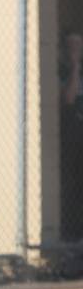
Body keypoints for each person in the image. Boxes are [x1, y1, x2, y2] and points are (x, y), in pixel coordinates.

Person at [60, 30, 83, 241]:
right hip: (71, 137)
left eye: (79, 46)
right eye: (72, 47)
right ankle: (73, 233)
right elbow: (68, 98)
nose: (76, 51)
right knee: (73, 185)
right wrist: (75, 66)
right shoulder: (61, 71)